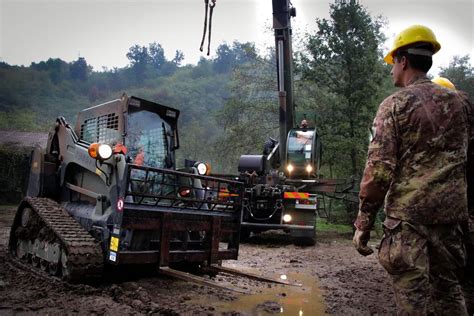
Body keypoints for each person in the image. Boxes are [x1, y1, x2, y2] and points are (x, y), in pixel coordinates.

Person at [352, 24, 474, 315]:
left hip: (409, 224)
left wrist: (363, 223)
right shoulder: (463, 103)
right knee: (449, 292)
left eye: (392, 62)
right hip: (451, 222)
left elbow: (379, 171)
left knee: (412, 299)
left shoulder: (395, 106)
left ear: (403, 61)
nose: (392, 69)